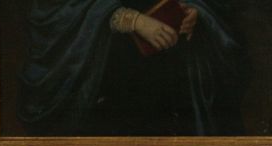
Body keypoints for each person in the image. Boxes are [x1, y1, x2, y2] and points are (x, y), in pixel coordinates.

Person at [17, 0, 249, 136]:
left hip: (176, 70)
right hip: (104, 72)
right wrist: (130, 19)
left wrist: (193, 10)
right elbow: (57, 8)